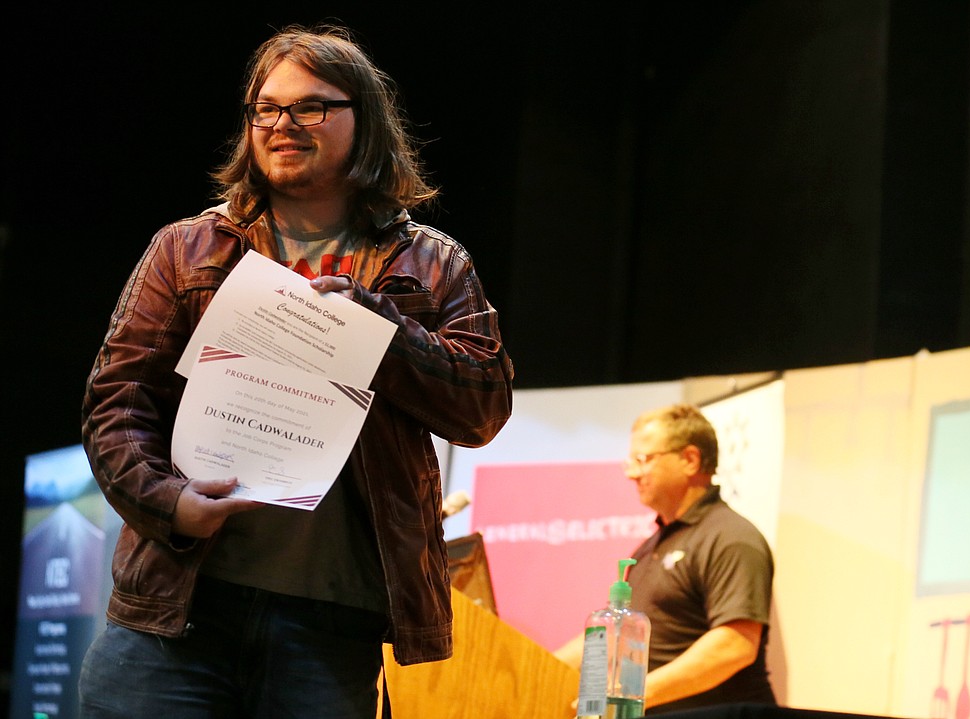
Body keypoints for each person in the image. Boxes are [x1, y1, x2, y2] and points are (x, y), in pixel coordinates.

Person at [77, 24, 513, 719]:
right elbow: (115, 404)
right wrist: (170, 504)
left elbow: (484, 408)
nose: (283, 124)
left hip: (331, 627)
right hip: (177, 614)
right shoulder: (186, 249)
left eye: (311, 106)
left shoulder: (431, 264)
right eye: (266, 109)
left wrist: (377, 330)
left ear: (363, 119)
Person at [555, 403, 777, 715]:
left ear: (689, 459)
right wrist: (536, 666)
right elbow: (611, 635)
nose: (632, 473)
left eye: (643, 460)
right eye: (631, 462)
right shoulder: (650, 547)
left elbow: (734, 645)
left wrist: (628, 698)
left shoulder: (731, 538)